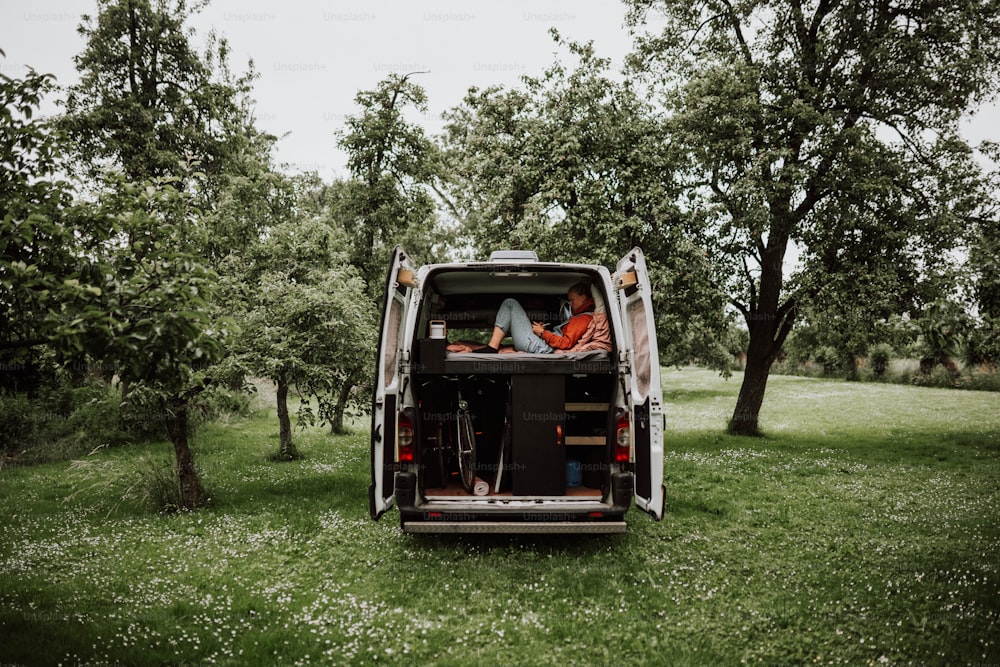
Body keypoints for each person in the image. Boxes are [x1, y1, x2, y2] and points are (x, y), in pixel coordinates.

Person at [473, 281, 595, 353]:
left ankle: (492, 348)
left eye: (572, 300)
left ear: (583, 298)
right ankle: (492, 347)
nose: (570, 303)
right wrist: (544, 332)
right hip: (542, 345)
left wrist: (542, 333)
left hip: (541, 348)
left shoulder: (583, 318)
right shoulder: (578, 317)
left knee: (510, 303)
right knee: (510, 304)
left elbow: (566, 343)